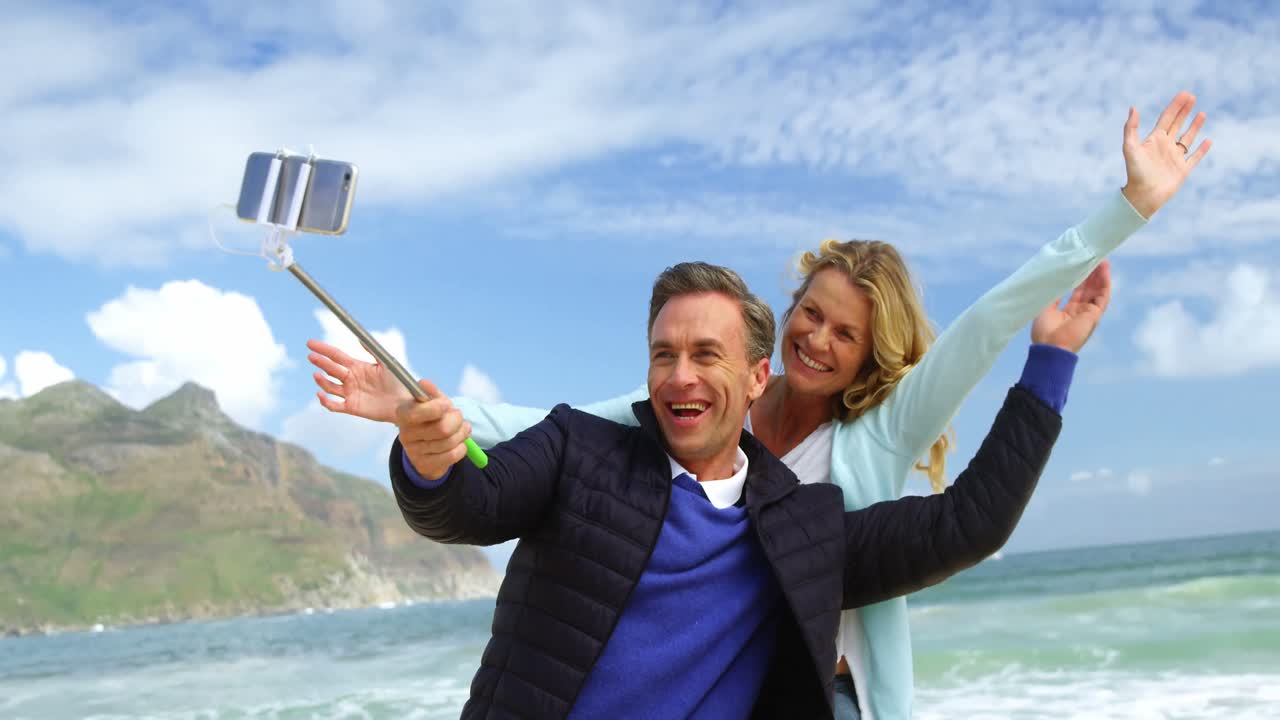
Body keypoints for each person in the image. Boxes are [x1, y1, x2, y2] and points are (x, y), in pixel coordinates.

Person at [308, 90, 1209, 719]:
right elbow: (508, 456)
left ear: (763, 369)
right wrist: (419, 420)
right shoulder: (642, 423)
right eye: (809, 315)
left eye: (843, 334)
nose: (819, 339)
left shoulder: (846, 472)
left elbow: (981, 340)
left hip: (826, 683)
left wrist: (1111, 233)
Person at [389, 260, 1082, 718]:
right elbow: (469, 504)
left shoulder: (802, 530)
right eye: (665, 355)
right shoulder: (579, 449)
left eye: (706, 355)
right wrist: (426, 460)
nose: (680, 376)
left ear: (756, 378)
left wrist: (1052, 360)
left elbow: (971, 521)